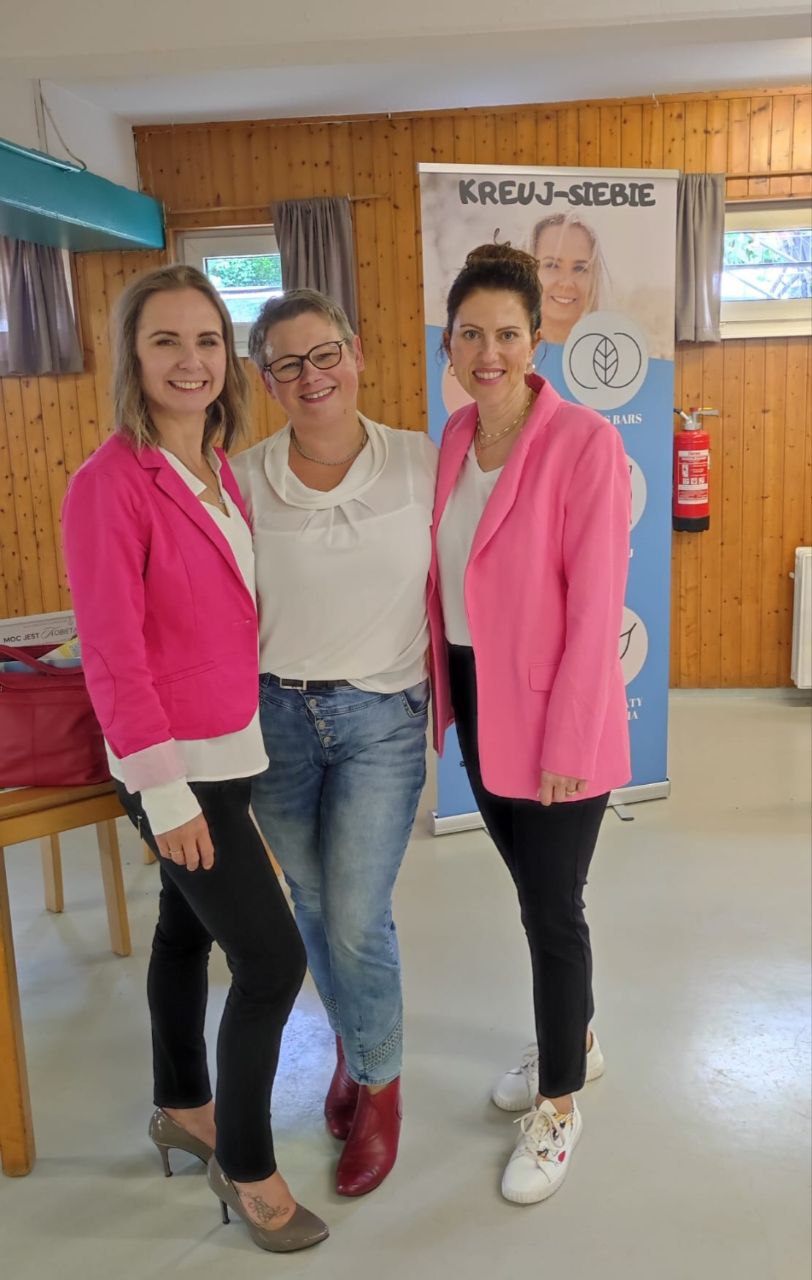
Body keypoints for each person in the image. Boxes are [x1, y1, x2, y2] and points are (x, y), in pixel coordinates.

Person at [61, 264, 328, 1255]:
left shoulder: (215, 468)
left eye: (207, 339)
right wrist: (164, 792)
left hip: (232, 748)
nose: (190, 360)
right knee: (272, 960)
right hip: (174, 766)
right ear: (132, 357)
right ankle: (246, 1164)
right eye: (165, 340)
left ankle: (182, 1102)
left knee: (184, 933)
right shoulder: (107, 485)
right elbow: (113, 655)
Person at [429, 243, 630, 1204]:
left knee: (554, 910)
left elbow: (594, 609)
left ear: (536, 340)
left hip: (556, 716)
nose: (489, 352)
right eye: (471, 334)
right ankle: (573, 1037)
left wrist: (570, 742)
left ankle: (559, 1103)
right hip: (479, 698)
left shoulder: (583, 442)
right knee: (530, 894)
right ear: (450, 343)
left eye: (507, 333)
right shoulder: (452, 439)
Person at [231, 288, 437, 1197]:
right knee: (312, 904)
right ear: (266, 380)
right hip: (274, 719)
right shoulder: (240, 479)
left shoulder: (422, 461)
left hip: (381, 719)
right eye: (288, 363)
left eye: (325, 354)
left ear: (356, 355)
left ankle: (381, 1087)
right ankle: (354, 1048)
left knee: (357, 914)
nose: (311, 375)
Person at [530, 213, 606, 344]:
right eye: (553, 265)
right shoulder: (503, 350)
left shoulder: (610, 349)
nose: (566, 283)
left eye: (579, 268)